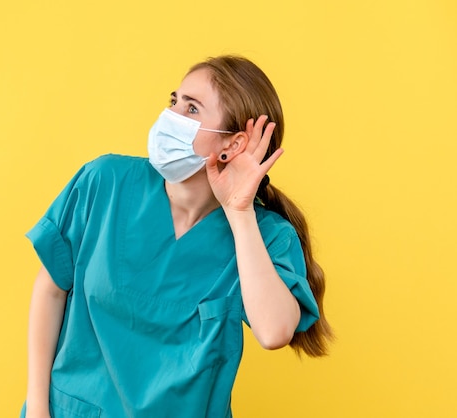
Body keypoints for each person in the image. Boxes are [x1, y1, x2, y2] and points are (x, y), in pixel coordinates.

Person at [21, 55, 333, 418]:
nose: (171, 117)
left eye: (192, 109)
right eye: (174, 101)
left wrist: (239, 211)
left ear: (231, 145)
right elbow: (51, 289)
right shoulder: (104, 183)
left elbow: (274, 332)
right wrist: (38, 408)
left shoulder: (263, 235)